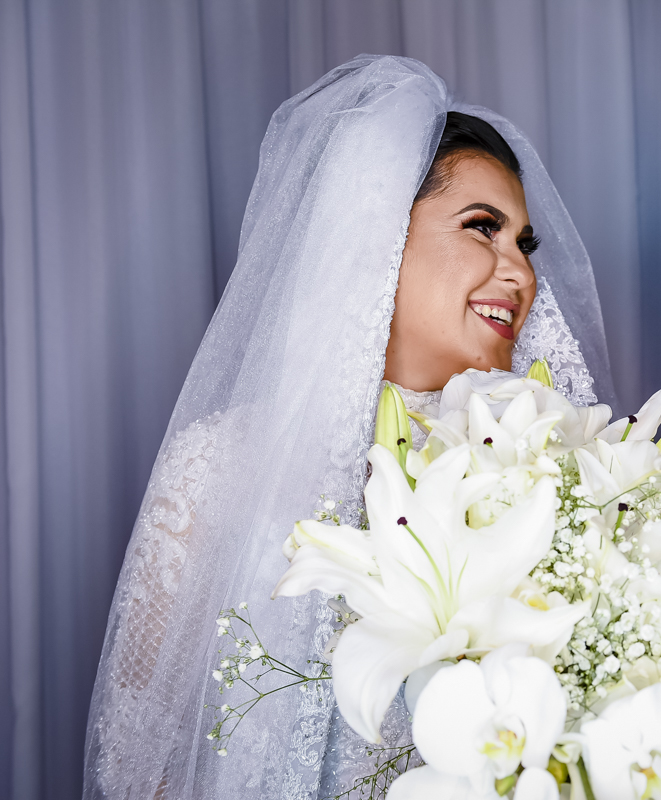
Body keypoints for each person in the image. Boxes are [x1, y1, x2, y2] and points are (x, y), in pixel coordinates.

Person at [83, 56, 612, 799]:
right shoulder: (223, 464)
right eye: (482, 228)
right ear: (375, 235)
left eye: (522, 244)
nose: (519, 273)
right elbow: (140, 757)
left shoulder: (548, 455)